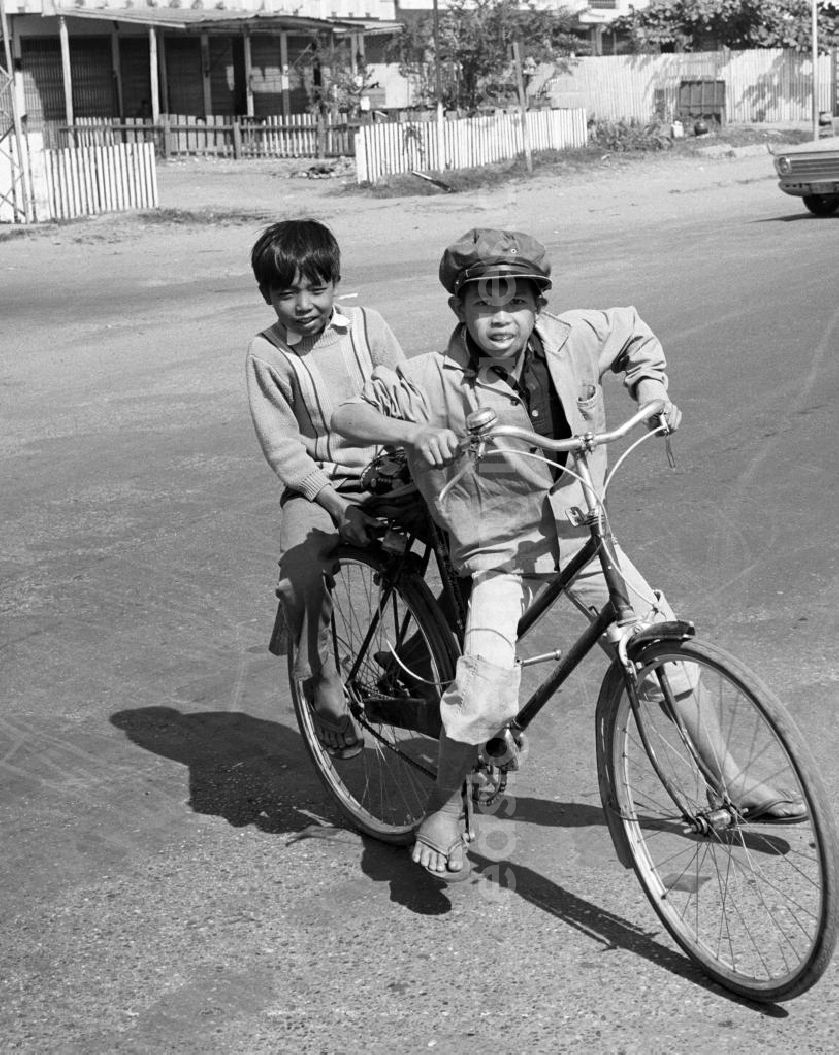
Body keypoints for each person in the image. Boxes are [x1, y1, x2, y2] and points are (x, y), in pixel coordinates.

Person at [335, 228, 806, 882]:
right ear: (460, 311)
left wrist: (651, 393)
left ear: (538, 303)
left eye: (515, 302)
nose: (500, 318)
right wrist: (417, 431)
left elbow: (635, 333)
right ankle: (443, 806)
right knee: (490, 675)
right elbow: (348, 413)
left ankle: (726, 776)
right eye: (482, 304)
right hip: (499, 548)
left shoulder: (572, 336)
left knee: (656, 632)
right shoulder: (434, 377)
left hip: (581, 528)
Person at [245, 219, 404, 758]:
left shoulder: (369, 326)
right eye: (287, 292)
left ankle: (414, 660)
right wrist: (336, 506)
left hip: (390, 473)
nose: (304, 304)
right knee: (300, 577)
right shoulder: (267, 355)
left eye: (317, 287)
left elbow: (407, 396)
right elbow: (285, 449)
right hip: (318, 487)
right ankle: (322, 684)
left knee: (465, 550)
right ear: (266, 294)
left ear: (336, 282)